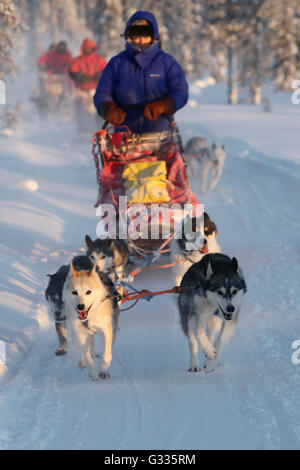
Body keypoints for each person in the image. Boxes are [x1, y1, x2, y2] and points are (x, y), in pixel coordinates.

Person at [93, 10, 189, 133]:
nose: (140, 40)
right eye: (136, 35)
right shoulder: (116, 63)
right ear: (129, 36)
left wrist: (165, 105)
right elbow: (102, 93)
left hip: (160, 137)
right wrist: (108, 108)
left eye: (145, 35)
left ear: (153, 36)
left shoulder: (166, 62)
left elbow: (180, 92)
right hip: (124, 137)